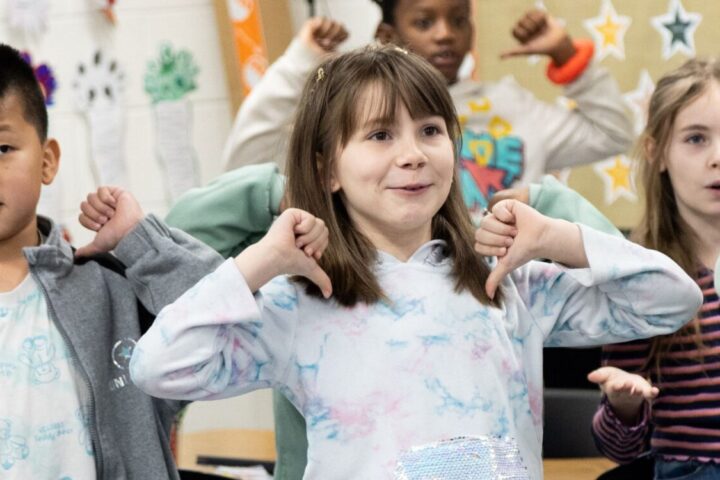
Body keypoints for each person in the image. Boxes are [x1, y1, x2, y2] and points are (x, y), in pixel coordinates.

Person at [135, 45, 701, 479]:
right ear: (327, 168)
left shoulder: (506, 279)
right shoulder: (299, 300)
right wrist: (261, 261)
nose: (412, 154)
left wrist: (558, 236)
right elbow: (156, 366)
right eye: (380, 135)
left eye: (430, 130)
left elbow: (673, 299)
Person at [479, 58, 720, 480]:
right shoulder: (643, 282)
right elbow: (617, 449)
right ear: (657, 152)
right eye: (696, 138)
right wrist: (625, 407)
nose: (717, 158)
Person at [0, 43, 223, 479]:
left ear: (47, 161)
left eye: (2, 147)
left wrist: (140, 241)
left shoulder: (109, 287)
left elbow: (230, 324)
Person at [222, 1, 633, 222]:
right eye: (424, 21)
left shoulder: (510, 106)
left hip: (502, 303)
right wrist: (301, 62)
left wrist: (567, 57)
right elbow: (245, 162)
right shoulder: (353, 110)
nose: (445, 34)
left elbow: (614, 133)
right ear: (388, 34)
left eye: (458, 19)